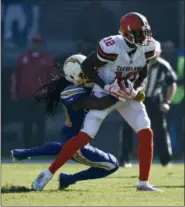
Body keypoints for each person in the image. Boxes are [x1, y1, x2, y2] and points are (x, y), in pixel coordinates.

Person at [31, 12, 163, 192]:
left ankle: (143, 183)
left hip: (126, 91)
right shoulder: (112, 46)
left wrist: (135, 89)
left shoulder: (148, 48)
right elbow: (87, 66)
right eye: (139, 33)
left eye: (145, 32)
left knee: (146, 131)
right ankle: (48, 173)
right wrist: (106, 86)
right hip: (105, 91)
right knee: (86, 135)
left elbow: (143, 72)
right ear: (126, 34)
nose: (145, 37)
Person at [12, 54, 119, 190]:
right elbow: (100, 104)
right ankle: (69, 178)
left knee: (63, 147)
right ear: (75, 77)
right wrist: (120, 91)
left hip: (69, 133)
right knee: (112, 165)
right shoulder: (73, 92)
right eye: (85, 73)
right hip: (76, 140)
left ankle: (24, 153)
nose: (91, 75)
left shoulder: (86, 87)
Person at [119, 41, 177, 167]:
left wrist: (167, 101)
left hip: (153, 100)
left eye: (154, 52)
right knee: (128, 128)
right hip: (134, 99)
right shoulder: (135, 64)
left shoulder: (163, 66)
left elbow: (171, 83)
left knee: (160, 129)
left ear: (159, 52)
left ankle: (165, 159)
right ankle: (125, 158)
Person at [11, 34, 55, 148]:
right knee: (26, 123)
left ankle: (39, 147)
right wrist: (14, 92)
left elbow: (52, 77)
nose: (36, 45)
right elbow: (16, 76)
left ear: (41, 44)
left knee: (40, 123)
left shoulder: (46, 59)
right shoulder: (23, 58)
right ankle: (27, 146)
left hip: (41, 96)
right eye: (34, 42)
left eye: (38, 42)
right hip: (25, 95)